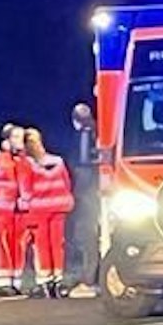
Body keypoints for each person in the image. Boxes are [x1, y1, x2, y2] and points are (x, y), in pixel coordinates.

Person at [20, 128, 75, 298]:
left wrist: (24, 204)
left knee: (42, 246)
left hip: (39, 209)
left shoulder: (27, 164)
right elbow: (67, 182)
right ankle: (57, 281)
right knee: (57, 244)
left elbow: (26, 189)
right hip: (59, 206)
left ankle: (44, 281)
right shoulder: (58, 161)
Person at [0, 124, 30, 295]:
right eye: (16, 137)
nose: (21, 141)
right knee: (3, 242)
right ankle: (4, 281)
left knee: (19, 244)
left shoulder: (25, 160)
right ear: (7, 140)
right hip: (1, 207)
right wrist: (8, 155)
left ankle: (17, 280)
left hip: (20, 208)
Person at [68, 102, 101, 292]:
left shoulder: (85, 134)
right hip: (94, 194)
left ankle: (89, 279)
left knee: (87, 236)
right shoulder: (98, 131)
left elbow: (83, 164)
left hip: (87, 195)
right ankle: (92, 277)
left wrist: (76, 193)